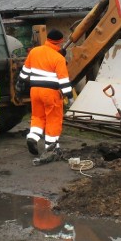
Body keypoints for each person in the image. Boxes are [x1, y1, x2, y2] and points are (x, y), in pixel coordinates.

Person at [15, 29, 72, 159]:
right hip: (51, 93)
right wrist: (69, 96)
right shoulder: (58, 58)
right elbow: (63, 80)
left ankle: (32, 137)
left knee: (38, 116)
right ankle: (51, 148)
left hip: (34, 91)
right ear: (60, 42)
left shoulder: (34, 51)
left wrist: (19, 84)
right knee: (53, 119)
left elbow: (24, 72)